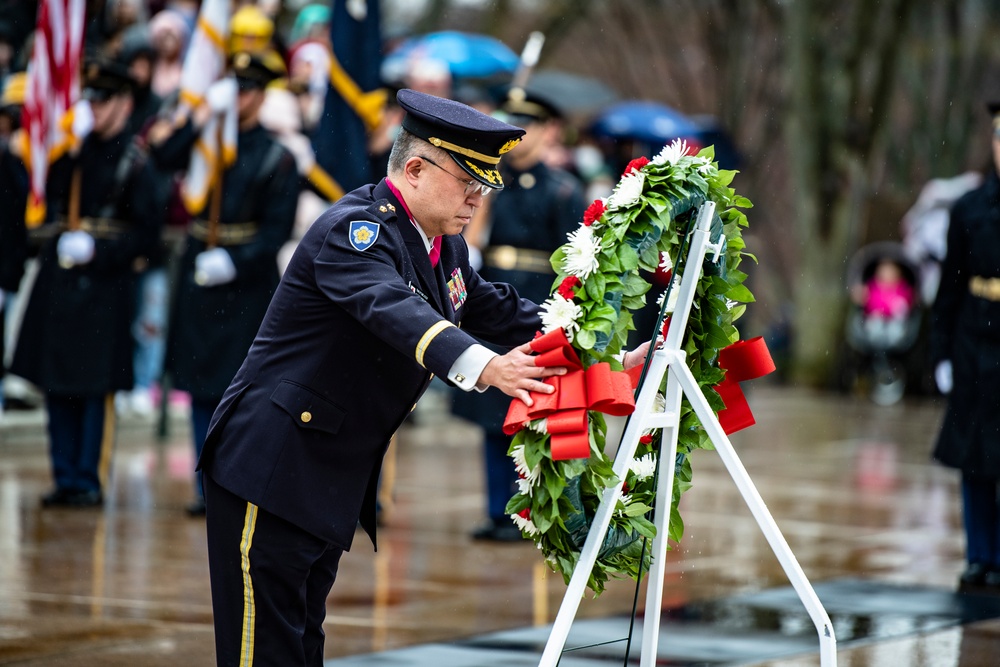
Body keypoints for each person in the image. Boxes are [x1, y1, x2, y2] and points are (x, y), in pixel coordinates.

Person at [197, 89, 573, 665]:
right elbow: (394, 309)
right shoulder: (355, 232)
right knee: (263, 651)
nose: (479, 197)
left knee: (300, 643)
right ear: (415, 169)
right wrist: (487, 367)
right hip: (271, 466)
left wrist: (599, 345)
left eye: (485, 184)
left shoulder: (439, 246)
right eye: (468, 180)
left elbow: (499, 308)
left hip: (322, 475)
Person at [148, 51, 298, 516]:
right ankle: (203, 485)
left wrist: (235, 260)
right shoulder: (207, 141)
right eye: (236, 88)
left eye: (250, 89)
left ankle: (236, 481)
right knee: (197, 382)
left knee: (242, 387)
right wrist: (200, 116)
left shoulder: (278, 156)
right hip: (199, 271)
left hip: (246, 282)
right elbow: (161, 156)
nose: (242, 97)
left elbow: (276, 231)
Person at [9, 59, 162, 507]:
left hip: (104, 290)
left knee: (95, 389)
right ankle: (63, 475)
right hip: (62, 285)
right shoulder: (71, 154)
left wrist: (100, 251)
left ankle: (88, 478)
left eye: (103, 100)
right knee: (57, 383)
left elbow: (149, 238)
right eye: (89, 99)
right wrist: (59, 153)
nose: (93, 109)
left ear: (125, 103)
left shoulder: (136, 163)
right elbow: (39, 200)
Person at [457, 87, 588, 541]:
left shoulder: (563, 188)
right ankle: (498, 510)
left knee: (532, 413)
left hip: (534, 303)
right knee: (492, 414)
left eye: (529, 125)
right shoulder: (492, 181)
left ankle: (529, 511)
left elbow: (576, 257)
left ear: (549, 131)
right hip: (492, 296)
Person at [930, 101, 1000, 589]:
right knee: (975, 455)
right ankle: (980, 556)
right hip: (975, 336)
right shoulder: (970, 207)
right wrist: (941, 353)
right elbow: (951, 284)